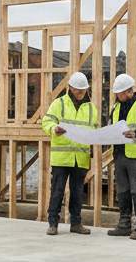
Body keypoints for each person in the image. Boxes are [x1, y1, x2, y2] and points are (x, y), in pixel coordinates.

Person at [39, 71, 99, 235]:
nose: (80, 93)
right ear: (70, 88)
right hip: (62, 158)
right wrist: (54, 129)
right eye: (77, 90)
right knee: (57, 191)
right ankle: (53, 224)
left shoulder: (92, 108)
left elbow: (94, 129)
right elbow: (46, 121)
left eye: (83, 90)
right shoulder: (59, 104)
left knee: (78, 193)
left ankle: (76, 224)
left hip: (81, 157)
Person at [106, 73, 136, 239]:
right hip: (120, 155)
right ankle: (124, 224)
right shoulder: (116, 107)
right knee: (123, 192)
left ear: (129, 91)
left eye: (119, 93)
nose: (117, 96)